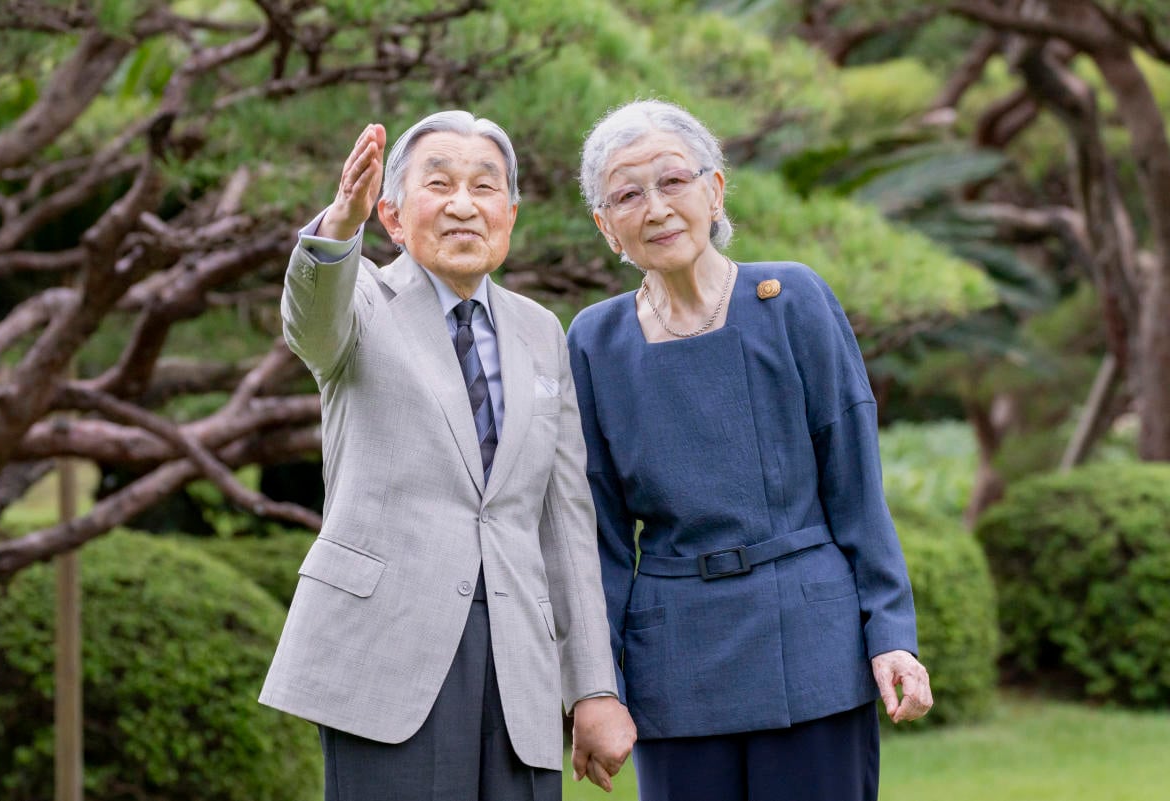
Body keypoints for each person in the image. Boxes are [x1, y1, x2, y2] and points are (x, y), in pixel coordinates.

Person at [260, 110, 636, 801]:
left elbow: (565, 522)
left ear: (510, 214)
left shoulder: (540, 331)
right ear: (395, 216)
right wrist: (341, 225)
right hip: (385, 651)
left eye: (484, 186)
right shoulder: (363, 299)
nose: (464, 204)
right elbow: (310, 320)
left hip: (519, 666)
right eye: (440, 183)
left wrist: (592, 686)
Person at [566, 99, 933, 801]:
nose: (656, 207)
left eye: (673, 181)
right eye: (627, 194)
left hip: (811, 641)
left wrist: (891, 633)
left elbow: (857, 490)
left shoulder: (791, 299)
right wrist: (596, 686)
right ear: (606, 226)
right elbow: (598, 540)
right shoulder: (593, 341)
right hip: (674, 659)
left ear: (715, 189)